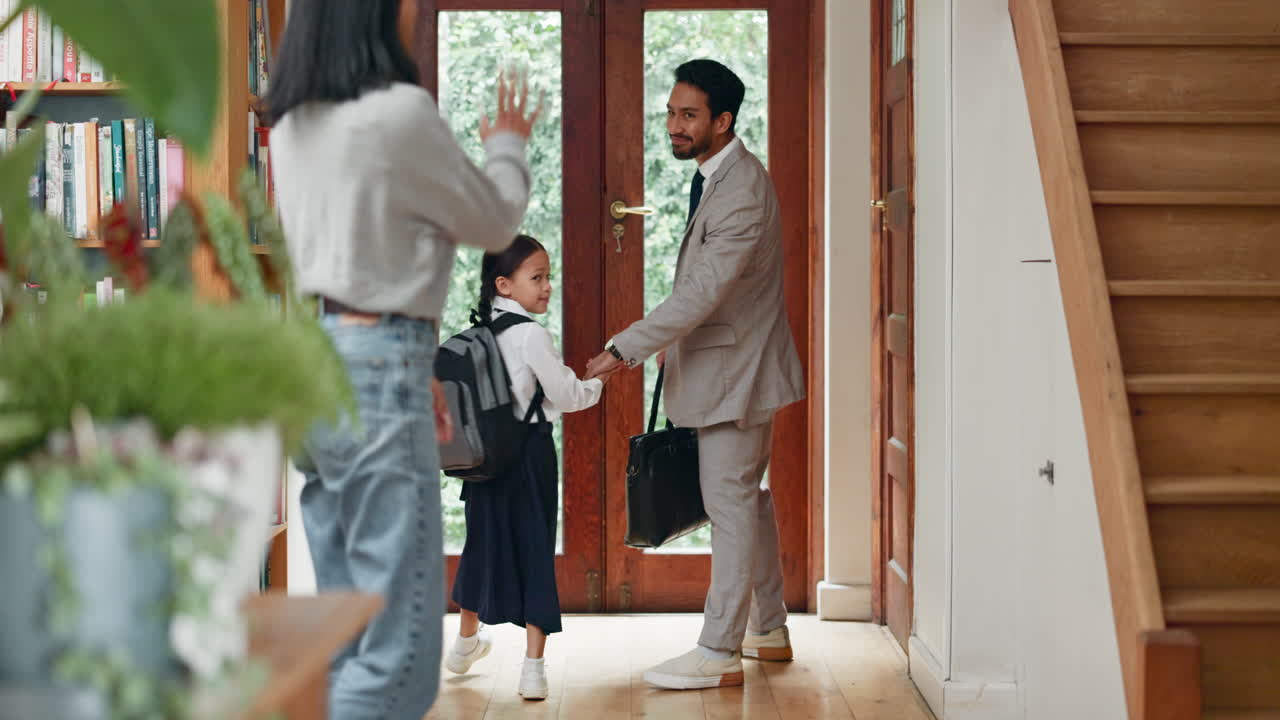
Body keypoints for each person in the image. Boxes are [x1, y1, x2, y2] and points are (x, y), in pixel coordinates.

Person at [265, 0, 541, 717]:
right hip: (378, 367)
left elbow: (361, 251)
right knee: (399, 663)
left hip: (315, 365)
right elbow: (495, 222)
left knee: (349, 639)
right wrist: (507, 145)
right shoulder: (397, 114)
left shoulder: (291, 122)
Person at [586, 58, 805, 690]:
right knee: (746, 501)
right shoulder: (719, 176)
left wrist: (622, 349)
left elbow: (703, 291)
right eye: (671, 113)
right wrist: (669, 344)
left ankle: (718, 651)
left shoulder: (741, 191)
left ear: (723, 120)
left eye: (689, 115)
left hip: (740, 373)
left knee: (730, 504)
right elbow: (710, 292)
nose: (674, 126)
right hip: (729, 364)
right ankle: (768, 629)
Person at [445, 235, 610, 700]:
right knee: (534, 551)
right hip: (527, 458)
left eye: (548, 277)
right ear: (504, 284)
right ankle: (532, 671)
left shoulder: (476, 334)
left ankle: (463, 645)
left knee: (481, 546)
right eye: (537, 277)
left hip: (480, 462)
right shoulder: (531, 334)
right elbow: (567, 396)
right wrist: (597, 382)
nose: (547, 286)